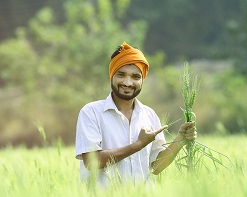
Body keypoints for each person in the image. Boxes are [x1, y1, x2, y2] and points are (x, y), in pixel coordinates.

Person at [75, 41, 196, 187]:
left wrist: (180, 140)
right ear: (111, 75)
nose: (128, 82)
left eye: (135, 77)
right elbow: (92, 161)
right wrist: (137, 145)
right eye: (121, 74)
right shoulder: (91, 112)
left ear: (142, 80)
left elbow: (156, 167)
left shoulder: (149, 115)